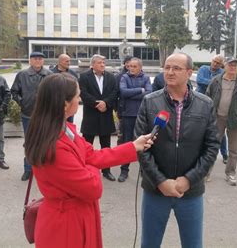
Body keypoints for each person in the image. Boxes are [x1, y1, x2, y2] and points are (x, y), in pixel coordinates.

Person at [24, 73, 153, 248]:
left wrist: (133, 147)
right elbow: (92, 188)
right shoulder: (53, 144)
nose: (80, 99)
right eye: (78, 96)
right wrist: (89, 167)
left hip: (74, 216)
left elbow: (92, 155)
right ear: (64, 104)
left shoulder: (62, 130)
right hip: (65, 226)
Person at [135, 52, 219, 248]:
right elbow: (140, 148)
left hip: (190, 191)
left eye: (176, 68)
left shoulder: (205, 104)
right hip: (155, 191)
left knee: (193, 244)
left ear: (189, 73)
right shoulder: (149, 102)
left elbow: (212, 146)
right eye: (167, 68)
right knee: (149, 244)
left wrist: (188, 180)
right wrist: (161, 181)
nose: (170, 72)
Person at [206, 57, 237, 186]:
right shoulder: (216, 81)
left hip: (235, 120)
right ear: (224, 66)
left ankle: (230, 174)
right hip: (217, 119)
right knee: (212, 146)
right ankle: (206, 172)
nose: (233, 67)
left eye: (235, 65)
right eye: (230, 65)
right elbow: (207, 98)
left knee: (234, 149)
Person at [11, 51, 52, 181]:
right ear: (30, 60)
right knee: (29, 143)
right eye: (35, 59)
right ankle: (28, 169)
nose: (38, 61)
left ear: (43, 61)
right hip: (27, 115)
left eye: (40, 59)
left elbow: (55, 92)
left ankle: (44, 169)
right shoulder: (22, 75)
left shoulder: (49, 75)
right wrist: (22, 102)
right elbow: (14, 91)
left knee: (46, 142)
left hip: (45, 115)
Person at [79, 54, 119, 181]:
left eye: (103, 62)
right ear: (93, 64)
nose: (102, 65)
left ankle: (106, 171)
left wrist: (105, 103)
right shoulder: (85, 77)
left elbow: (115, 92)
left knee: (106, 145)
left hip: (105, 114)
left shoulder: (111, 77)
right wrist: (97, 104)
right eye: (100, 62)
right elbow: (83, 93)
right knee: (86, 144)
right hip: (91, 114)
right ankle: (84, 169)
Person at [118, 57, 152, 182]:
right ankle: (124, 170)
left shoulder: (146, 78)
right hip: (128, 114)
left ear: (140, 67)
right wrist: (140, 90)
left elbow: (149, 93)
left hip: (142, 115)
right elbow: (123, 92)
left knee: (145, 144)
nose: (131, 68)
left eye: (134, 66)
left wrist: (132, 94)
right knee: (127, 143)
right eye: (129, 66)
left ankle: (145, 171)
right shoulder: (124, 77)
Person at [196, 54, 228, 165]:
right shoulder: (203, 68)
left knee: (219, 131)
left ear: (221, 64)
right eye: (214, 61)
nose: (215, 64)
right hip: (199, 103)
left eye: (218, 63)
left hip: (214, 105)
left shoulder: (222, 73)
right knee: (198, 129)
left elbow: (220, 86)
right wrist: (214, 81)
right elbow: (199, 80)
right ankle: (200, 153)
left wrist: (210, 82)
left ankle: (225, 154)